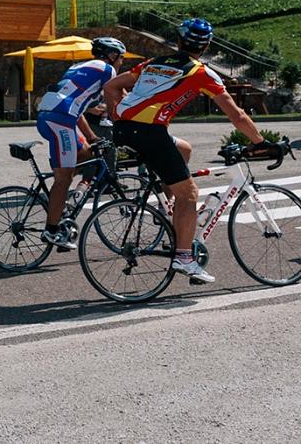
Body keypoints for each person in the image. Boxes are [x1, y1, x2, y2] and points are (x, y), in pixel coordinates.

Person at [103, 18, 279, 283]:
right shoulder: (200, 72)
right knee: (190, 194)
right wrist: (259, 141)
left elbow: (111, 86)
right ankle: (184, 257)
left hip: (124, 129)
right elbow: (237, 114)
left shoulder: (153, 63)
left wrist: (118, 118)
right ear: (206, 45)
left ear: (178, 41)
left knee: (184, 148)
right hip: (150, 133)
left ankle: (169, 200)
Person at [36, 36, 127, 248]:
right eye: (121, 59)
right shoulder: (107, 70)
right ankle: (51, 230)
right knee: (64, 178)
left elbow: (76, 107)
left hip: (55, 117)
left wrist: (92, 137)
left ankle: (61, 204)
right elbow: (122, 97)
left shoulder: (78, 67)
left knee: (89, 154)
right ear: (113, 56)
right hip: (60, 122)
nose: (121, 63)